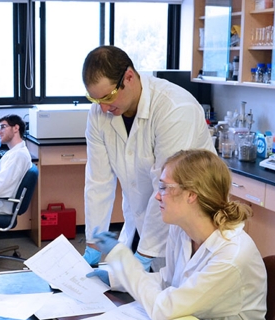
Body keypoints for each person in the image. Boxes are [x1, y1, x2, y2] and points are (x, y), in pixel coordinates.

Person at [87, 149, 267, 320]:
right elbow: (168, 284)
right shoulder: (182, 232)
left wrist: (122, 258)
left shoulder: (230, 256)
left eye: (164, 187)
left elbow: (164, 308)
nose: (157, 196)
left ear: (191, 194)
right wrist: (116, 277)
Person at [81, 46, 215, 271]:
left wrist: (145, 254)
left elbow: (167, 190)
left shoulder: (174, 109)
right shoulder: (100, 114)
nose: (103, 107)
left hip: (189, 228)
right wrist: (93, 243)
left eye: (108, 97)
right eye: (95, 100)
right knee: (137, 296)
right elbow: (98, 182)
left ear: (129, 77)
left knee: (183, 297)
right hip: (140, 224)